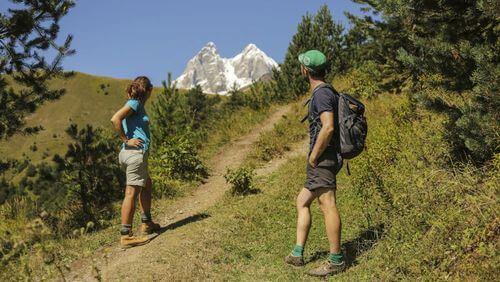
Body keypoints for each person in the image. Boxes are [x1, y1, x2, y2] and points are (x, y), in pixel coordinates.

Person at [284, 50, 345, 276]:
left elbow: (328, 127)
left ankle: (336, 260)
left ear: (306, 70)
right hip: (322, 159)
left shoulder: (321, 94)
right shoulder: (324, 92)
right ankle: (297, 253)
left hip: (323, 158)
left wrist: (313, 155)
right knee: (302, 201)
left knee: (327, 204)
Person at [110, 76, 161, 248]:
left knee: (146, 184)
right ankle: (126, 235)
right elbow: (115, 119)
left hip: (131, 155)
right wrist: (126, 139)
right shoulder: (135, 104)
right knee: (131, 192)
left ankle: (147, 223)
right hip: (134, 154)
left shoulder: (135, 105)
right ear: (148, 90)